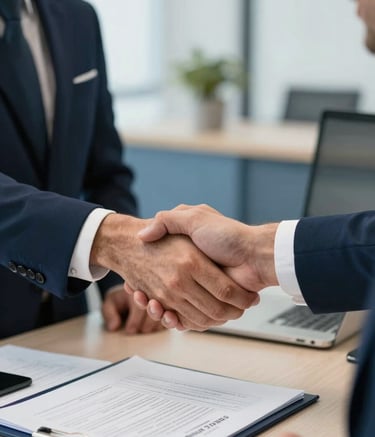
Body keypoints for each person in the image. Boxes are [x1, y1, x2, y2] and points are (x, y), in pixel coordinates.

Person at [0, 0, 258, 339]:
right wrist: (110, 242)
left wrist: (123, 279)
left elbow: (104, 169)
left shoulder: (77, 17)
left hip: (65, 326)